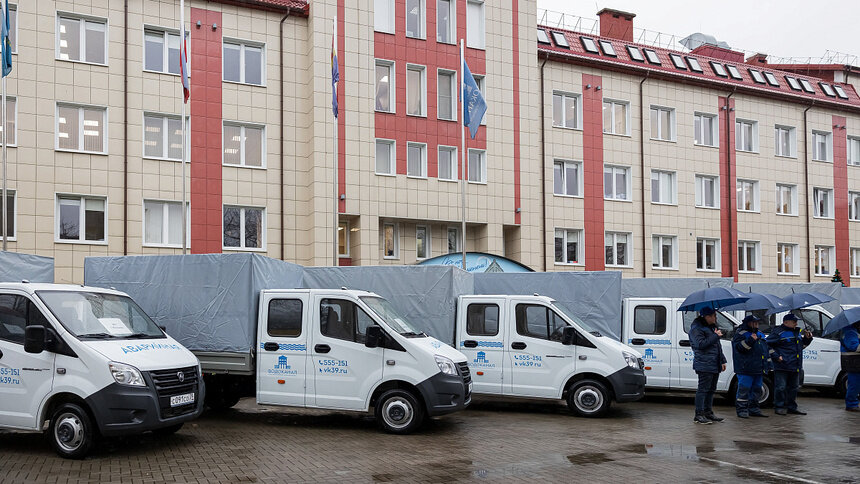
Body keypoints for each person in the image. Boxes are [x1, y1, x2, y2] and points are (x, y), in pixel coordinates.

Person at [766, 313, 813, 415]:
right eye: (794, 321)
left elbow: (801, 346)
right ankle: (779, 406)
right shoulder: (778, 332)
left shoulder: (797, 333)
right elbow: (767, 345)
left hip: (795, 365)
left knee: (794, 388)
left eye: (796, 321)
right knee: (781, 387)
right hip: (782, 365)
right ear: (786, 322)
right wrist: (776, 356)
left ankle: (791, 407)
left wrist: (807, 338)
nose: (796, 323)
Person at [689, 306, 727, 424]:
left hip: (714, 363)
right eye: (714, 316)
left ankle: (708, 412)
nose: (716, 318)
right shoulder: (696, 329)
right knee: (703, 389)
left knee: (711, 389)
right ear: (707, 316)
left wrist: (722, 360)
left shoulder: (711, 328)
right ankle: (699, 414)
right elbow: (701, 344)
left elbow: (717, 347)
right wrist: (715, 336)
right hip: (704, 363)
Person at [732, 314, 770, 418]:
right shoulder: (740, 334)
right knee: (744, 390)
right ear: (748, 323)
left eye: (758, 322)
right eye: (755, 322)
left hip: (758, 368)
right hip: (745, 368)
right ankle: (742, 410)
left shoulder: (760, 334)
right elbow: (740, 348)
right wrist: (751, 340)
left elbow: (765, 350)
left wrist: (768, 364)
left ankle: (754, 409)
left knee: (757, 389)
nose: (757, 324)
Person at [841, 321, 860, 412]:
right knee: (854, 384)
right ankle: (851, 404)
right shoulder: (850, 332)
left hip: (856, 361)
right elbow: (854, 347)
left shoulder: (855, 330)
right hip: (853, 362)